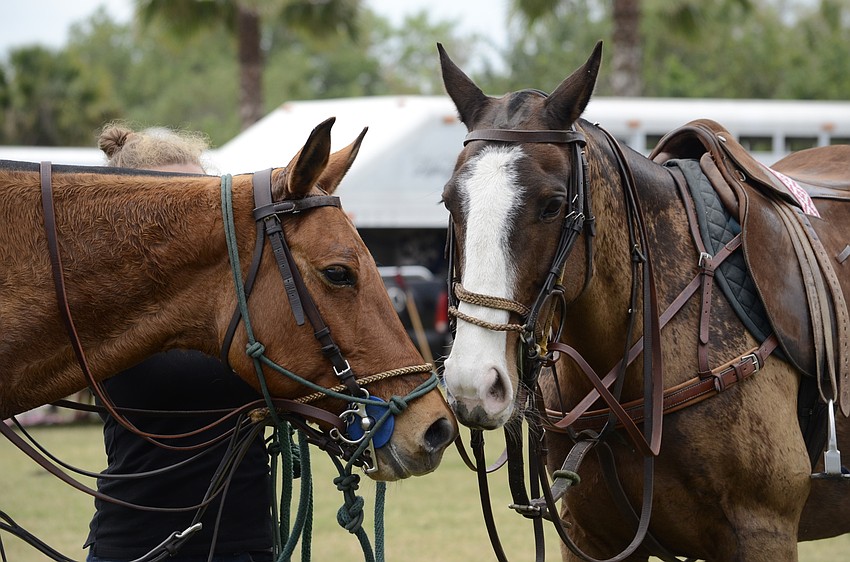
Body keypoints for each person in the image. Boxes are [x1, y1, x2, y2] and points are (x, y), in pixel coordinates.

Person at [85, 124, 274, 562]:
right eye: (176, 199)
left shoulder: (243, 295)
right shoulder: (101, 299)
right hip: (135, 546)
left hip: (242, 545)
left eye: (203, 197)